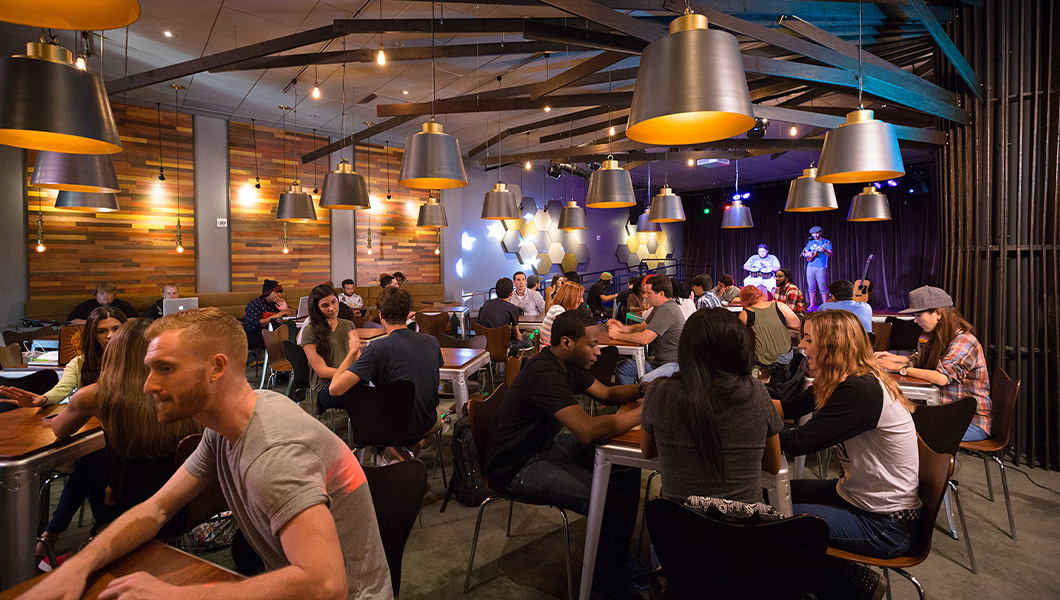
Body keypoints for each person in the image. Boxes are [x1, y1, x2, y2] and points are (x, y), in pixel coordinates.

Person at [22, 307, 394, 600]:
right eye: (149, 369)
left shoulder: (274, 451)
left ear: (216, 368)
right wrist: (79, 565)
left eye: (165, 369)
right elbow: (157, 509)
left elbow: (327, 587)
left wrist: (179, 595)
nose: (149, 384)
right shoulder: (227, 425)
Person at [484, 309, 644, 600]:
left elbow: (606, 395)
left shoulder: (570, 364)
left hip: (543, 447)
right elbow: (586, 430)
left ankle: (614, 561)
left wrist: (644, 389)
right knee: (610, 500)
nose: (598, 350)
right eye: (592, 344)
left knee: (624, 468)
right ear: (567, 343)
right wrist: (646, 413)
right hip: (516, 466)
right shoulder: (544, 371)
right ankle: (605, 588)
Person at [774, 310, 920, 599]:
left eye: (808, 339)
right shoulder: (843, 378)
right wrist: (746, 396)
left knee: (775, 519)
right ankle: (847, 580)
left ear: (832, 345)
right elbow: (788, 409)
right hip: (857, 496)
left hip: (886, 523)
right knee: (770, 494)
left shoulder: (859, 389)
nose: (801, 346)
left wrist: (745, 418)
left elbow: (797, 442)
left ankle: (852, 586)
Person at [50, 318, 203, 536]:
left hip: (134, 513)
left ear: (114, 354)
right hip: (190, 503)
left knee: (92, 462)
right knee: (94, 462)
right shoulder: (189, 388)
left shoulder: (95, 395)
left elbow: (59, 430)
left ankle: (52, 536)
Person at [1, 306, 127, 557]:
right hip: (97, 443)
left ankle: (54, 532)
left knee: (91, 462)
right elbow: (61, 391)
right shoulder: (79, 363)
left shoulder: (133, 362)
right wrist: (41, 400)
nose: (110, 335)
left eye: (116, 329)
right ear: (92, 334)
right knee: (92, 461)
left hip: (127, 439)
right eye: (102, 331)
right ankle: (97, 529)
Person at [641, 308, 783, 502]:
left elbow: (648, 451)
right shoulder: (755, 392)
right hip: (742, 528)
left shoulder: (659, 392)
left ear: (685, 349)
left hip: (676, 528)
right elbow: (773, 465)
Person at [875, 286, 991, 441]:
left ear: (938, 313)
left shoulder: (964, 340)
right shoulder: (941, 337)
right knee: (894, 420)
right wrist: (893, 358)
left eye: (918, 315)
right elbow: (923, 360)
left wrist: (901, 369)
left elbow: (942, 377)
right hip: (946, 413)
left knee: (901, 429)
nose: (915, 321)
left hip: (970, 422)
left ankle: (935, 465)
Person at [330, 287, 444, 445]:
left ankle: (398, 456)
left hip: (391, 427)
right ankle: (410, 451)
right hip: (427, 421)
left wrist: (353, 351)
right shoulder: (432, 341)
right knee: (436, 414)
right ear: (408, 314)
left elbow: (334, 388)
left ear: (380, 314)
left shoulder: (377, 349)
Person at [607, 274, 686, 385]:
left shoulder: (666, 309)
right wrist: (623, 328)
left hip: (675, 364)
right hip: (662, 362)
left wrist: (618, 335)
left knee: (645, 381)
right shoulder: (659, 308)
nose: (645, 296)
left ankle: (641, 402)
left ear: (661, 294)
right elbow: (643, 326)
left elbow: (645, 339)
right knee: (624, 368)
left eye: (648, 293)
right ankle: (632, 402)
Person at [300, 284, 361, 411]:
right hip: (326, 385)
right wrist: (351, 375)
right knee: (362, 396)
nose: (332, 308)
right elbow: (321, 371)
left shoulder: (348, 325)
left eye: (334, 302)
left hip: (350, 378)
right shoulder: (310, 331)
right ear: (316, 308)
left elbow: (358, 358)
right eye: (325, 306)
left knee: (380, 390)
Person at [738, 285, 800, 371]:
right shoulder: (779, 306)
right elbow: (796, 324)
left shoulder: (745, 314)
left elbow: (738, 338)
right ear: (760, 294)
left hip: (761, 359)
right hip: (785, 357)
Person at [478, 277, 530, 355]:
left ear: (496, 292)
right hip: (502, 347)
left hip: (483, 344)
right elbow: (517, 335)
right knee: (528, 343)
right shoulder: (513, 308)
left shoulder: (486, 303)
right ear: (511, 293)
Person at [243, 279, 296, 350]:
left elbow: (296, 313)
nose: (280, 295)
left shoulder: (277, 303)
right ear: (268, 292)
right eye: (277, 292)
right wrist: (276, 316)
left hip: (277, 333)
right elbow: (252, 325)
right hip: (257, 335)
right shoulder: (255, 305)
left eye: (280, 292)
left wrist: (286, 309)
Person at [67, 282, 139, 323]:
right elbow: (71, 321)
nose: (106, 296)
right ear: (96, 295)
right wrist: (92, 324)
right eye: (102, 293)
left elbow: (136, 319)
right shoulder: (86, 305)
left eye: (109, 293)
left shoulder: (123, 305)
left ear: (114, 295)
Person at [539, 281, 584, 347]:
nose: (582, 300)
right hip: (551, 354)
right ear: (570, 297)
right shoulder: (559, 310)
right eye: (579, 296)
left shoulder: (556, 308)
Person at [802, 225, 833, 311]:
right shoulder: (810, 242)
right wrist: (808, 254)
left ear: (820, 233)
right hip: (810, 267)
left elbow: (830, 254)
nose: (815, 235)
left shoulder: (826, 242)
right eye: (813, 234)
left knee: (822, 286)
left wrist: (825, 250)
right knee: (811, 286)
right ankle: (811, 305)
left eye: (816, 233)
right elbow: (804, 253)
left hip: (821, 267)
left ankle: (825, 305)